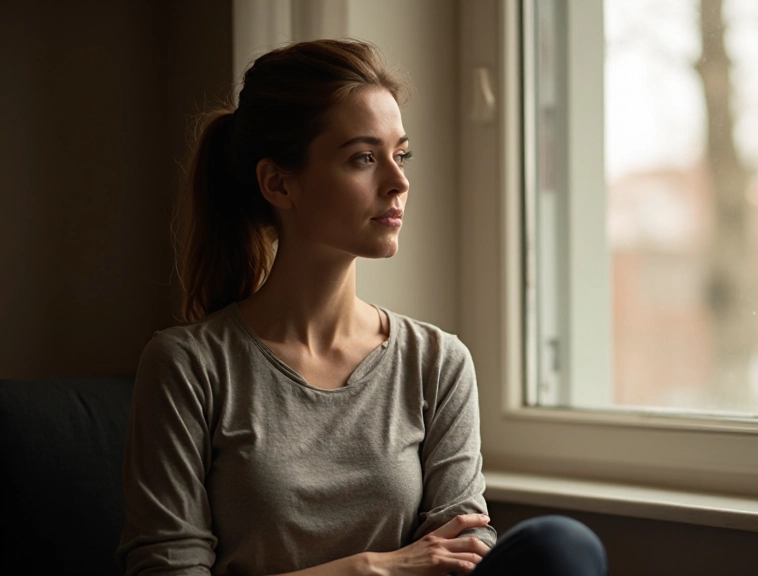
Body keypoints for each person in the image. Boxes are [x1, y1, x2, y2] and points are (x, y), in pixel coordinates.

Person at [115, 39, 606, 576]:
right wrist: (371, 568)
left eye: (402, 154)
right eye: (364, 158)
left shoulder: (436, 362)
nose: (398, 182)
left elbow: (460, 549)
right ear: (278, 182)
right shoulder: (190, 366)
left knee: (562, 547)